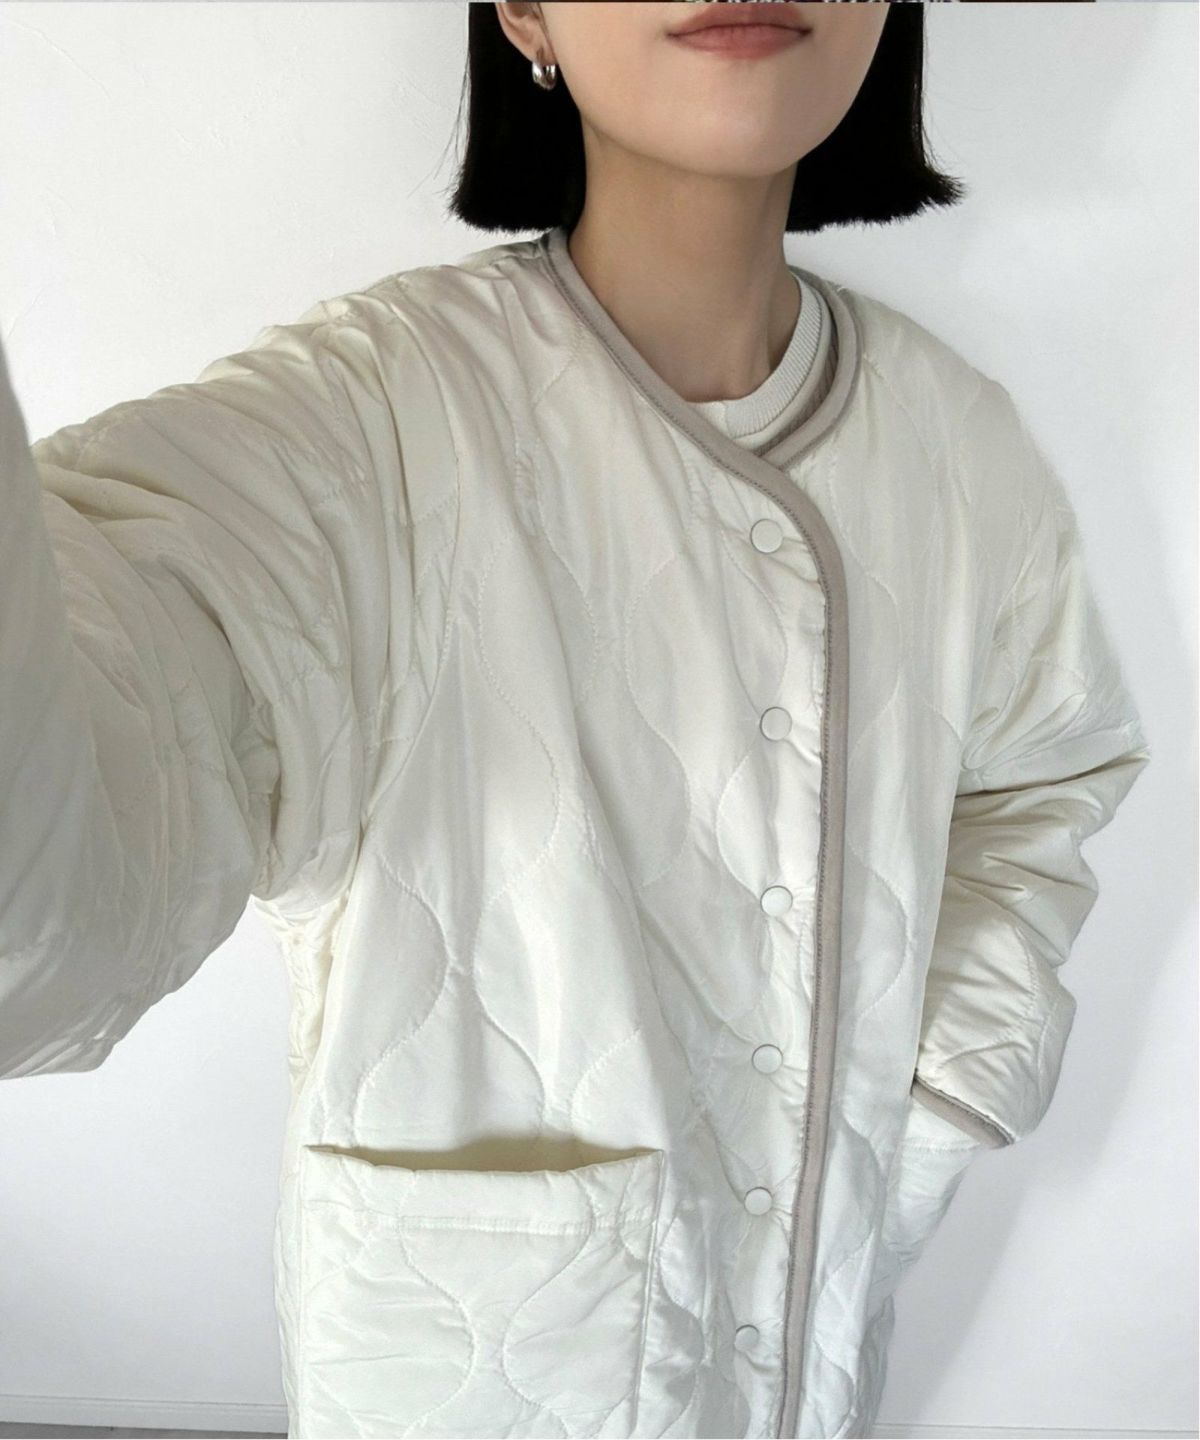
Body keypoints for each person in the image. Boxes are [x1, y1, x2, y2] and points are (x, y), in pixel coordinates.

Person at [0, 5, 1150, 1438]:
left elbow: (1037, 788)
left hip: (817, 1366)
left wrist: (942, 1110)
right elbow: (62, 874)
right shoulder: (369, 424)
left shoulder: (956, 443)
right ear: (525, 10)